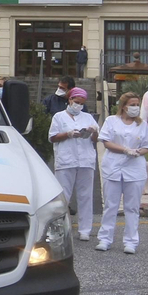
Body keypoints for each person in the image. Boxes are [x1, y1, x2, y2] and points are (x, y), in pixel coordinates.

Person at [97, 93, 148, 254]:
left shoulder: (141, 124)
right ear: (123, 106)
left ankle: (130, 241)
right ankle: (105, 238)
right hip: (113, 166)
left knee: (132, 207)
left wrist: (137, 152)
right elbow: (106, 142)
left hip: (134, 169)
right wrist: (125, 150)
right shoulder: (111, 121)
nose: (136, 107)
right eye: (133, 104)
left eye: (137, 104)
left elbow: (147, 145)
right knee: (111, 205)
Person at [47, 86, 98, 241]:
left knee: (85, 196)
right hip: (66, 160)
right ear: (69, 100)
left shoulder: (88, 117)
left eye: (81, 103)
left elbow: (96, 140)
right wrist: (68, 134)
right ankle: (58, 229)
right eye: (76, 102)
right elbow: (52, 137)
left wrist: (93, 132)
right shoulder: (59, 117)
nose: (78, 106)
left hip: (85, 160)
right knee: (63, 197)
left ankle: (85, 229)